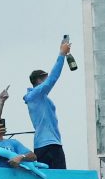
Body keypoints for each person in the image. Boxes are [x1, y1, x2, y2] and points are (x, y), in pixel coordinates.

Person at [23, 37, 72, 170]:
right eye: (44, 78)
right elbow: (53, 78)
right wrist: (61, 54)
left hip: (49, 143)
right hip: (48, 144)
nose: (47, 81)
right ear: (39, 80)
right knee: (58, 178)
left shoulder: (40, 97)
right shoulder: (34, 95)